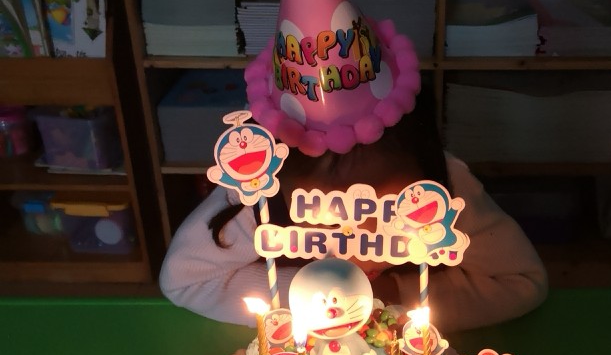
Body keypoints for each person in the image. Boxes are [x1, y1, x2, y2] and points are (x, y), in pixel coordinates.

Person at [160, 88, 548, 332]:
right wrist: (319, 296)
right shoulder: (256, 194)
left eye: (388, 217)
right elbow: (184, 281)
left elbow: (521, 280)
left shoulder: (443, 191)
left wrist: (394, 295)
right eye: (328, 217)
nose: (356, 241)